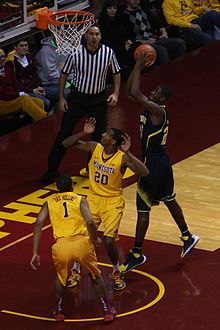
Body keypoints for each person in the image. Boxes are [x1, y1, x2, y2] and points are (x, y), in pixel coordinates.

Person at [120, 53, 200, 273]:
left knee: (143, 209)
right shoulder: (151, 106)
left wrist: (137, 64)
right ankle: (187, 236)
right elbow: (130, 92)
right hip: (161, 161)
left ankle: (136, 253)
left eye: (156, 92)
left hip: (153, 164)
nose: (152, 92)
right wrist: (137, 69)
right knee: (169, 198)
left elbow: (135, 93)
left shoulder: (158, 110)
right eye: (152, 90)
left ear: (162, 99)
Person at [62, 118, 149, 290]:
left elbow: (145, 172)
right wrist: (83, 133)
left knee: (109, 241)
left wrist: (129, 153)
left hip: (112, 203)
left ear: (114, 142)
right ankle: (75, 270)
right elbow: (66, 144)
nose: (102, 134)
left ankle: (116, 271)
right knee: (82, 238)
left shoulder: (122, 158)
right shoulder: (95, 147)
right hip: (93, 199)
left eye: (107, 134)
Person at [30, 174, 116, 323]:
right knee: (95, 275)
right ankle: (107, 310)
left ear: (57, 189)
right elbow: (89, 221)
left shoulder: (48, 202)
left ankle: (58, 310)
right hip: (82, 243)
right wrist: (95, 238)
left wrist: (35, 252)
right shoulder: (79, 199)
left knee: (61, 277)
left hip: (61, 246)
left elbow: (38, 223)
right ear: (72, 187)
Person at [41, 25, 121, 184]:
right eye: (91, 34)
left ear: (100, 36)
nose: (94, 37)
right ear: (86, 36)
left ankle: (93, 168)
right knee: (64, 133)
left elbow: (116, 72)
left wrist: (116, 93)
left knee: (99, 136)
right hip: (77, 98)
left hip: (98, 99)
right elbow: (63, 75)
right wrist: (62, 97)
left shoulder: (108, 52)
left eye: (97, 34)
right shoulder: (76, 52)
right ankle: (52, 169)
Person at [121, 0, 186, 66]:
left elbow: (157, 23)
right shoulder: (124, 16)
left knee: (180, 43)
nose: (136, 1)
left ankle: (179, 67)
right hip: (140, 43)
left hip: (154, 38)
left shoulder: (144, 10)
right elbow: (127, 37)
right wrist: (145, 42)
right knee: (161, 51)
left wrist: (164, 32)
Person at [98, 0, 142, 79]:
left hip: (125, 45)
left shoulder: (119, 19)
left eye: (114, 8)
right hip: (115, 51)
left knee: (138, 46)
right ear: (105, 9)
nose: (112, 10)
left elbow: (126, 33)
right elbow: (106, 44)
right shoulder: (102, 24)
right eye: (109, 8)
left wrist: (129, 40)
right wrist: (123, 48)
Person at [0, 48, 47, 121]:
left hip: (13, 98)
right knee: (24, 99)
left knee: (39, 102)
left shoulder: (7, 69)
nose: (1, 59)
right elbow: (3, 94)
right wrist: (19, 94)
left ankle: (37, 126)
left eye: (3, 56)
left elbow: (17, 84)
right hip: (2, 102)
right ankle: (45, 120)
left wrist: (23, 92)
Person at [6, 39, 51, 112]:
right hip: (25, 91)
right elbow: (16, 83)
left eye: (26, 45)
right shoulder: (11, 63)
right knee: (46, 103)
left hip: (36, 87)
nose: (24, 48)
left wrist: (38, 86)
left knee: (64, 92)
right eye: (21, 46)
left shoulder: (29, 57)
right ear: (15, 47)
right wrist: (32, 90)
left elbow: (35, 74)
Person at [35, 33, 71, 108]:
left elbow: (71, 67)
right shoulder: (45, 51)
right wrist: (66, 83)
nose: (61, 38)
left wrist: (73, 80)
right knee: (68, 92)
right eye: (59, 35)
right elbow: (51, 75)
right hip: (49, 84)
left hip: (65, 81)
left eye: (62, 35)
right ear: (52, 35)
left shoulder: (67, 47)